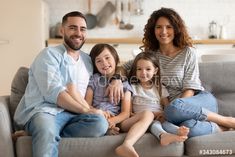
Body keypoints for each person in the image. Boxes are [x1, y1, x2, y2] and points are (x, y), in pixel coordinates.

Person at [13, 11, 119, 157]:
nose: (78, 33)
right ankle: (42, 131)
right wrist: (87, 110)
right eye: (72, 28)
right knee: (47, 128)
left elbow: (109, 69)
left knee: (100, 124)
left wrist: (118, 79)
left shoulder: (88, 60)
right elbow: (55, 93)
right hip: (47, 111)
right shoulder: (48, 55)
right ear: (62, 30)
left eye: (82, 29)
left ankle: (36, 132)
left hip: (74, 115)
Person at [122, 7, 235, 138]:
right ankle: (220, 128)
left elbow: (190, 89)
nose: (163, 31)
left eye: (169, 27)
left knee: (174, 108)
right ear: (153, 30)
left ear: (176, 29)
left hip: (198, 101)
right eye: (159, 27)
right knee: (187, 129)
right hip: (176, 112)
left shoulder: (188, 52)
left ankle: (227, 121)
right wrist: (116, 80)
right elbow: (123, 67)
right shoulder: (150, 55)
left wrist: (170, 112)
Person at [115, 52, 189, 157]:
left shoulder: (159, 88)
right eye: (139, 69)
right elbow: (129, 113)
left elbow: (167, 108)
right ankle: (127, 145)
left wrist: (162, 114)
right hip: (135, 120)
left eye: (148, 69)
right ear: (135, 70)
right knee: (150, 117)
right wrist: (152, 114)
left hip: (156, 120)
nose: (143, 72)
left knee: (160, 123)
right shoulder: (132, 87)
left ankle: (176, 131)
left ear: (155, 71)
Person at [85, 43, 133, 135]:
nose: (104, 63)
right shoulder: (94, 79)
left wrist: (112, 121)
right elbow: (86, 105)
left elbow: (126, 113)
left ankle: (107, 128)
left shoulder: (125, 85)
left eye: (107, 58)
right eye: (98, 61)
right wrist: (99, 113)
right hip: (96, 115)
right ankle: (104, 129)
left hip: (115, 119)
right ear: (94, 65)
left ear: (115, 58)